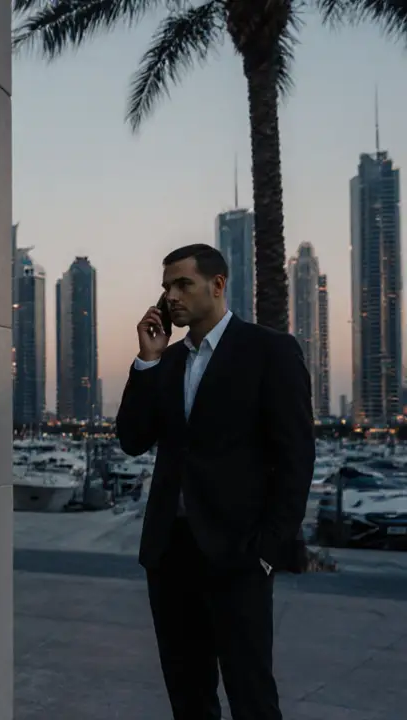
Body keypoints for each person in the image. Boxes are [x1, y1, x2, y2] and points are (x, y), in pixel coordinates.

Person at [116, 244, 315, 720]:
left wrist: (268, 549)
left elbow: (296, 457)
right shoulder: (165, 361)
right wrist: (146, 361)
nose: (172, 296)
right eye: (166, 287)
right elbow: (132, 439)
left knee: (251, 697)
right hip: (170, 554)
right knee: (188, 698)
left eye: (182, 284)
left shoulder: (269, 350)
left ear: (218, 285)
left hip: (239, 554)